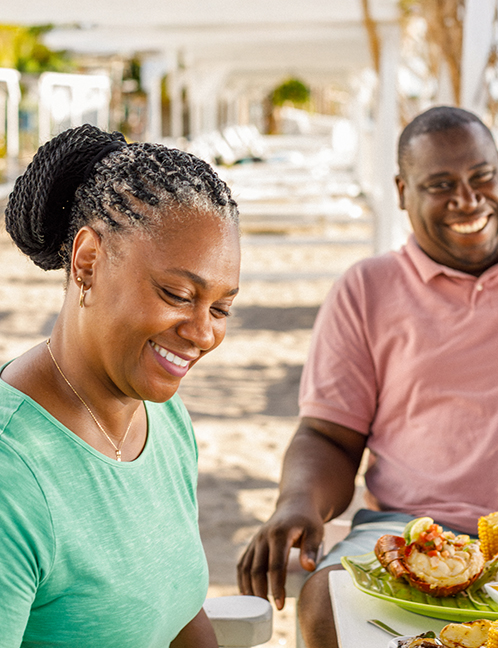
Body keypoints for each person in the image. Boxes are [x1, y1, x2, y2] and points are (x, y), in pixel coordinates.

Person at [237, 105, 498, 648]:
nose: (468, 200)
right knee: (328, 598)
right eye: (441, 184)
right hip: (408, 530)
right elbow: (328, 436)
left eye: (483, 178)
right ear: (402, 192)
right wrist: (297, 502)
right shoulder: (367, 289)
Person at [0, 124, 241, 648]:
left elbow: (177, 610)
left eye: (221, 308)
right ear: (87, 263)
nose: (203, 333)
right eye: (177, 293)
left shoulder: (162, 419)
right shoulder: (12, 477)